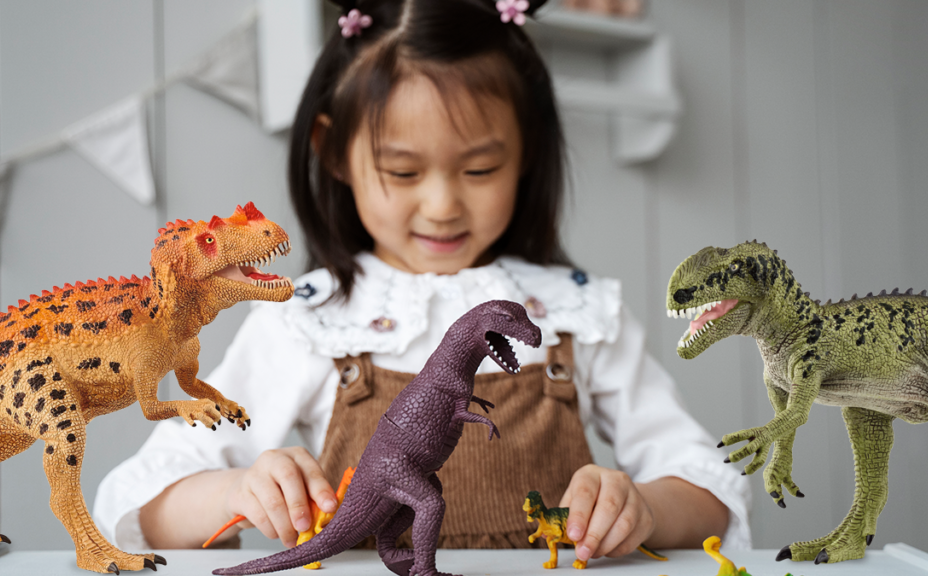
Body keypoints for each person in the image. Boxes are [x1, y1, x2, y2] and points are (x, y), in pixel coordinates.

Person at [94, 0, 751, 564]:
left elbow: (710, 490)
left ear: (526, 150)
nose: (441, 206)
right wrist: (236, 492)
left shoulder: (577, 312)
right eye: (403, 172)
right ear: (333, 151)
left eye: (479, 169)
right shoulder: (307, 322)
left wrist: (643, 507)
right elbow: (138, 502)